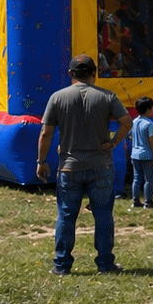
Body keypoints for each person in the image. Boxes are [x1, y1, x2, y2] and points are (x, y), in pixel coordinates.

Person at [37, 55, 129, 275]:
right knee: (103, 214)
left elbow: (46, 132)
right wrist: (114, 142)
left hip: (69, 166)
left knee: (67, 215)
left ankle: (61, 265)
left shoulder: (58, 98)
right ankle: (105, 264)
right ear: (94, 73)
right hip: (101, 165)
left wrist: (41, 161)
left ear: (70, 74)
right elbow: (127, 122)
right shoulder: (107, 96)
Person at [128, 96, 153, 209]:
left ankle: (135, 200)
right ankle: (148, 201)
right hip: (147, 154)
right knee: (149, 180)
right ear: (148, 109)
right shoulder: (149, 123)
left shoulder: (134, 121)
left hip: (135, 154)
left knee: (136, 178)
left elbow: (130, 136)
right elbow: (152, 140)